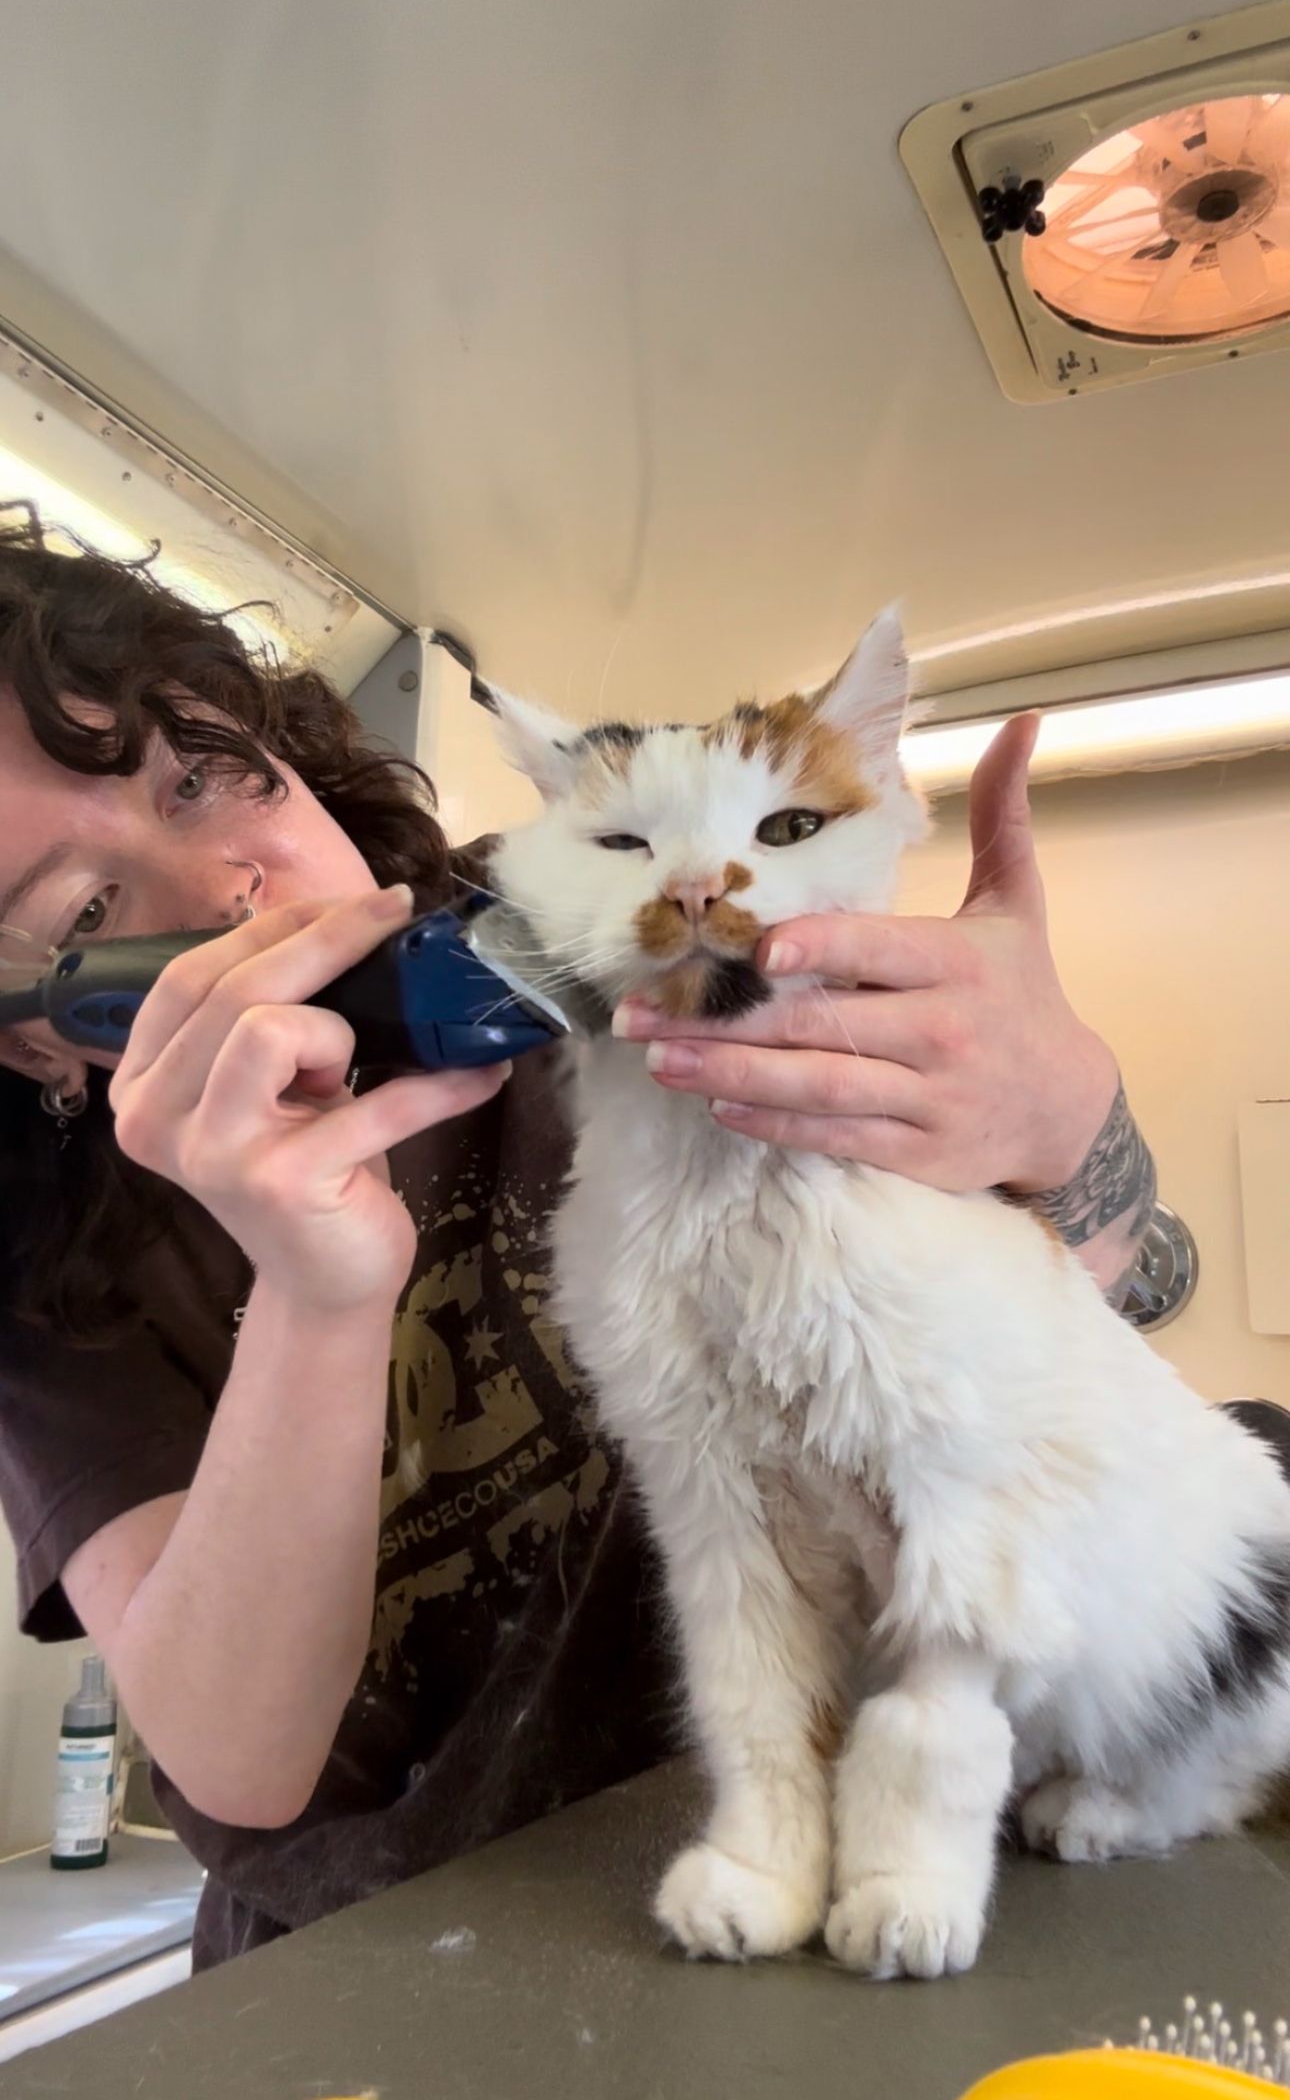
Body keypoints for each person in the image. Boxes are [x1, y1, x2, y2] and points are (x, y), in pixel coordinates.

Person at [0, 508, 1160, 1967]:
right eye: (90, 905)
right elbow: (245, 1768)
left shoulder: (593, 903)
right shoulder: (53, 1283)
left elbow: (1107, 1315)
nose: (230, 883)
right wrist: (317, 1295)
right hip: (387, 1959)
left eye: (205, 777)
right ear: (44, 1042)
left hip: (813, 1846)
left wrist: (1067, 1122)